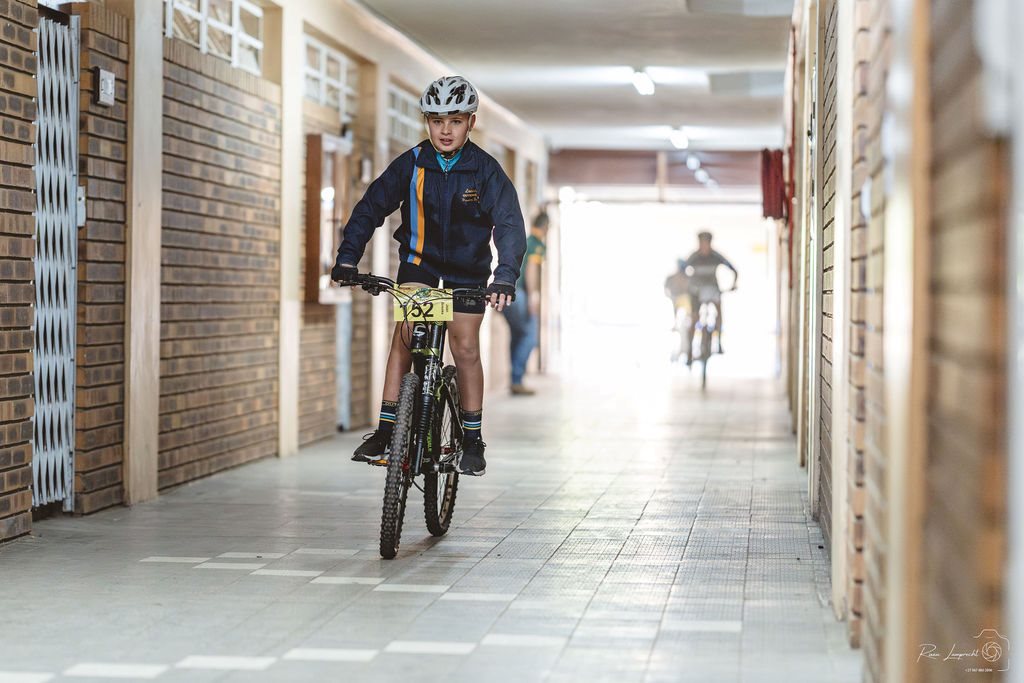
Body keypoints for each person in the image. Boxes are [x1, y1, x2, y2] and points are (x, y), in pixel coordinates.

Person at [331, 76, 526, 476]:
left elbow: (509, 225)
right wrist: (348, 258)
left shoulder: (486, 171)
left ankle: (472, 440)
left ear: (470, 122)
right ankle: (386, 431)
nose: (445, 130)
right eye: (437, 121)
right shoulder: (412, 163)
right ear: (426, 122)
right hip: (420, 265)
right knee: (404, 337)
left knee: (466, 346)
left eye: (455, 121)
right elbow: (370, 208)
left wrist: (505, 276)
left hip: (468, 271)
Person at [502, 210, 548, 395]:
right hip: (521, 295)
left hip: (508, 296)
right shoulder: (537, 244)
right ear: (545, 227)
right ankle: (517, 379)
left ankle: (515, 380)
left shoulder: (526, 240)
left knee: (517, 336)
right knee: (529, 337)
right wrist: (535, 296)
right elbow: (531, 269)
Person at [679, 231, 738, 364]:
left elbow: (733, 269)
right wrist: (685, 284)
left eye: (706, 243)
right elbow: (682, 271)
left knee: (719, 311)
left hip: (712, 290)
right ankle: (689, 352)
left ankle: (719, 343)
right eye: (702, 243)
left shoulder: (716, 256)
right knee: (694, 318)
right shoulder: (693, 257)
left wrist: (733, 284)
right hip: (696, 291)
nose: (704, 246)